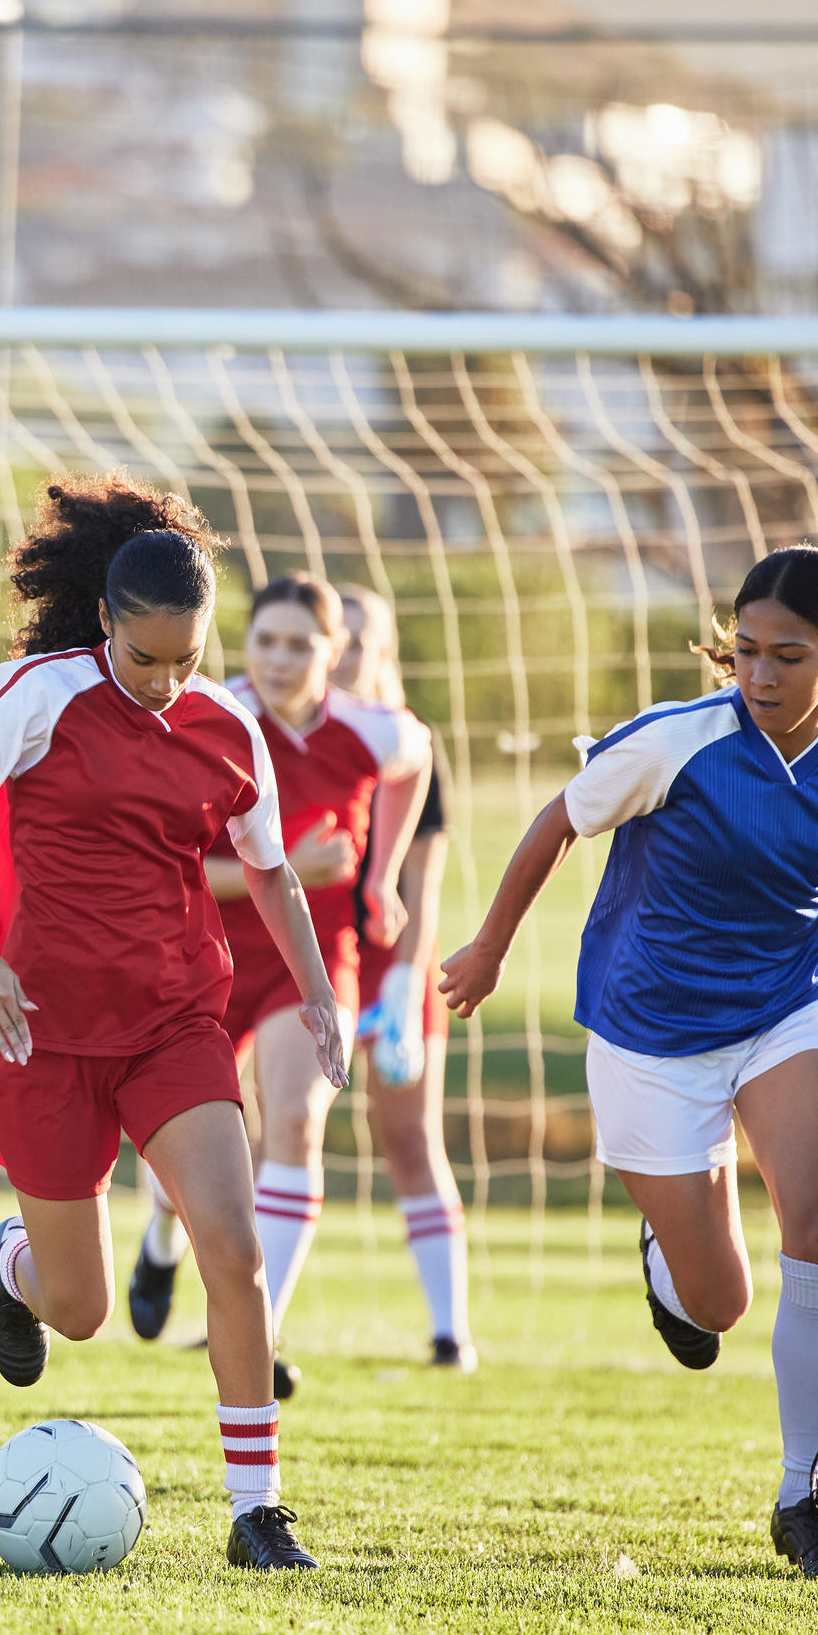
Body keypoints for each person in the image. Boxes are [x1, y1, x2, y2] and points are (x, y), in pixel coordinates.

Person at [438, 545, 818, 1581]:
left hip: (786, 1016)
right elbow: (555, 823)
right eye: (744, 651)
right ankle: (668, 1254)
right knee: (717, 1302)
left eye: (787, 655)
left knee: (817, 1224)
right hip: (646, 1032)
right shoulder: (677, 742)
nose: (759, 675)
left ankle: (801, 1498)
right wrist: (488, 946)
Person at [0, 474, 349, 1572]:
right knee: (84, 1310)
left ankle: (257, 1509)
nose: (165, 680)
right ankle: (14, 1266)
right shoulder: (35, 695)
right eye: (145, 657)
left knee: (231, 1248)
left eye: (187, 658)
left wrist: (321, 994)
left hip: (171, 1022)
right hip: (37, 1031)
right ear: (104, 619)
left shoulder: (228, 727)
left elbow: (272, 873)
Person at [121, 575, 428, 1399]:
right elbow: (167, 864)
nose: (283, 658)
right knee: (186, 1150)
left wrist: (380, 877)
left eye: (303, 644)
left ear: (336, 652)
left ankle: (264, 1324)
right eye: (268, 642)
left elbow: (418, 756)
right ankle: (161, 1233)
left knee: (292, 1121)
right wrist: (289, 869)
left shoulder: (368, 729)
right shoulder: (210, 719)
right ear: (245, 646)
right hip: (204, 953)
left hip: (313, 959)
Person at [331, 583, 478, 1372]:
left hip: (393, 966)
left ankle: (451, 1332)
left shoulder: (412, 746)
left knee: (410, 1138)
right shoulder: (287, 736)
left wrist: (400, 986)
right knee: (262, 1134)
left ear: (382, 651)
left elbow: (425, 889)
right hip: (306, 962)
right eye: (337, 636)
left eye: (362, 638)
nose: (346, 651)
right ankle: (249, 1312)